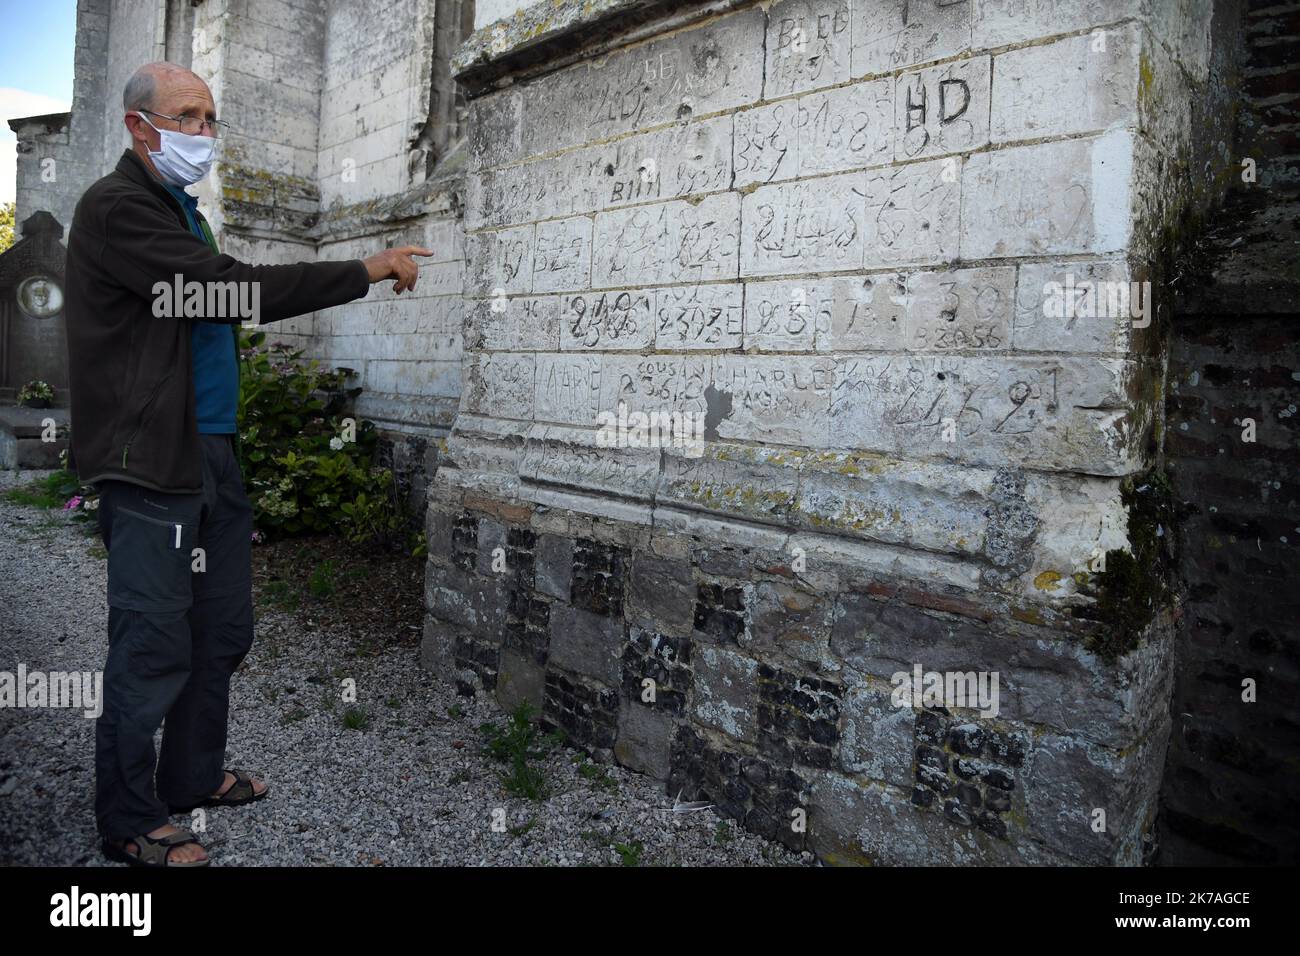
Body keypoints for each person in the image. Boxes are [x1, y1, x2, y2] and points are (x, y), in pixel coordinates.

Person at [64, 61, 432, 867]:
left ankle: (190, 779)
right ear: (139, 126)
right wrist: (364, 269)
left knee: (220, 629)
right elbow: (228, 293)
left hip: (211, 450)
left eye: (209, 119)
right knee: (153, 641)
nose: (203, 133)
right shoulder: (117, 208)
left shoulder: (178, 210)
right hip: (151, 460)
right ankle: (129, 818)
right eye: (186, 117)